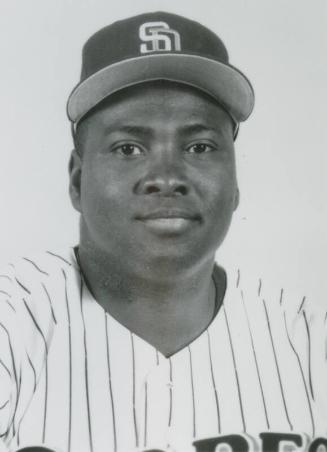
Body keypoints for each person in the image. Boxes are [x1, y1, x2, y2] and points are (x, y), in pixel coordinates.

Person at [0, 11, 326, 452]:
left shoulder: (308, 342)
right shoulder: (14, 327)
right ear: (77, 181)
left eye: (199, 146)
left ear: (234, 184)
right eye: (128, 147)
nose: (167, 176)